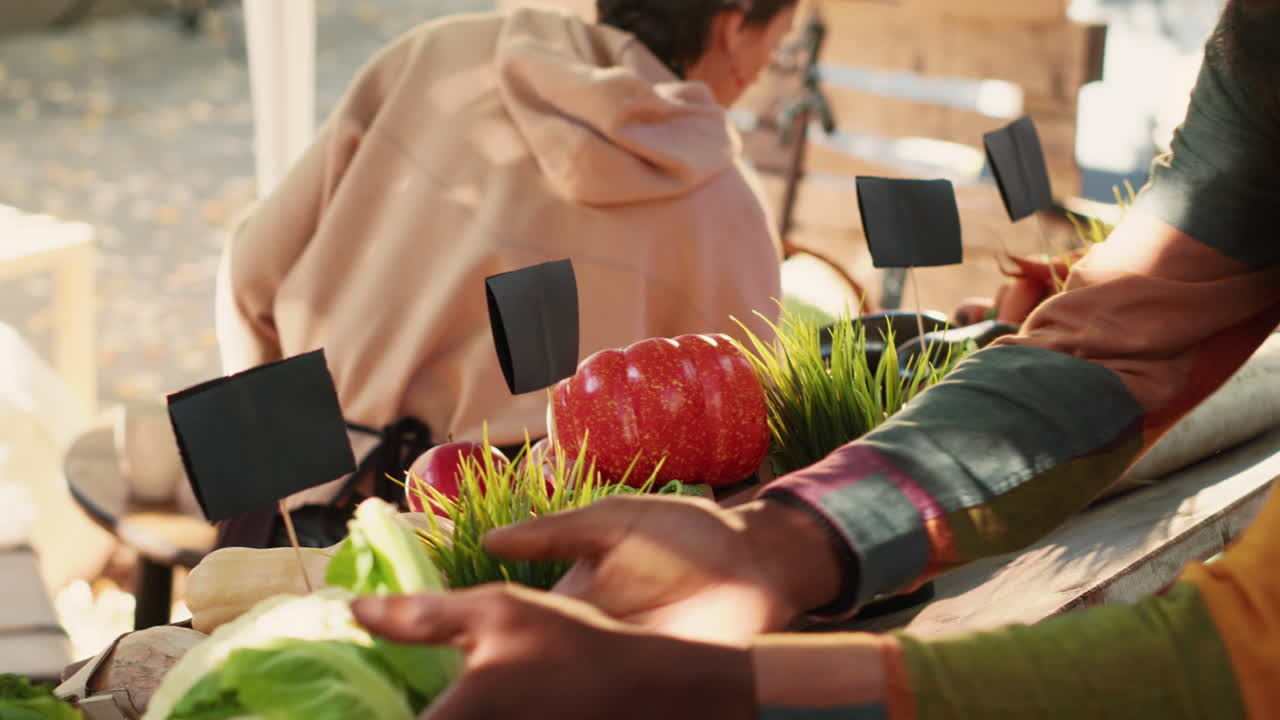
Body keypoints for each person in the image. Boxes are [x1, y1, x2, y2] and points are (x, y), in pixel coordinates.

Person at [350, 0, 1280, 715]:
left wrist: (724, 685)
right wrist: (774, 544)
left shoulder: (432, 57)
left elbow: (1237, 657)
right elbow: (1118, 340)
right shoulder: (1264, 50)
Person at [211, 0, 797, 546]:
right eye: (777, 42)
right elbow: (747, 433)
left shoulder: (435, 61)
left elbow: (251, 274)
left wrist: (278, 470)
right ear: (734, 24)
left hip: (304, 515)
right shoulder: (730, 205)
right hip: (523, 558)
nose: (762, 71)